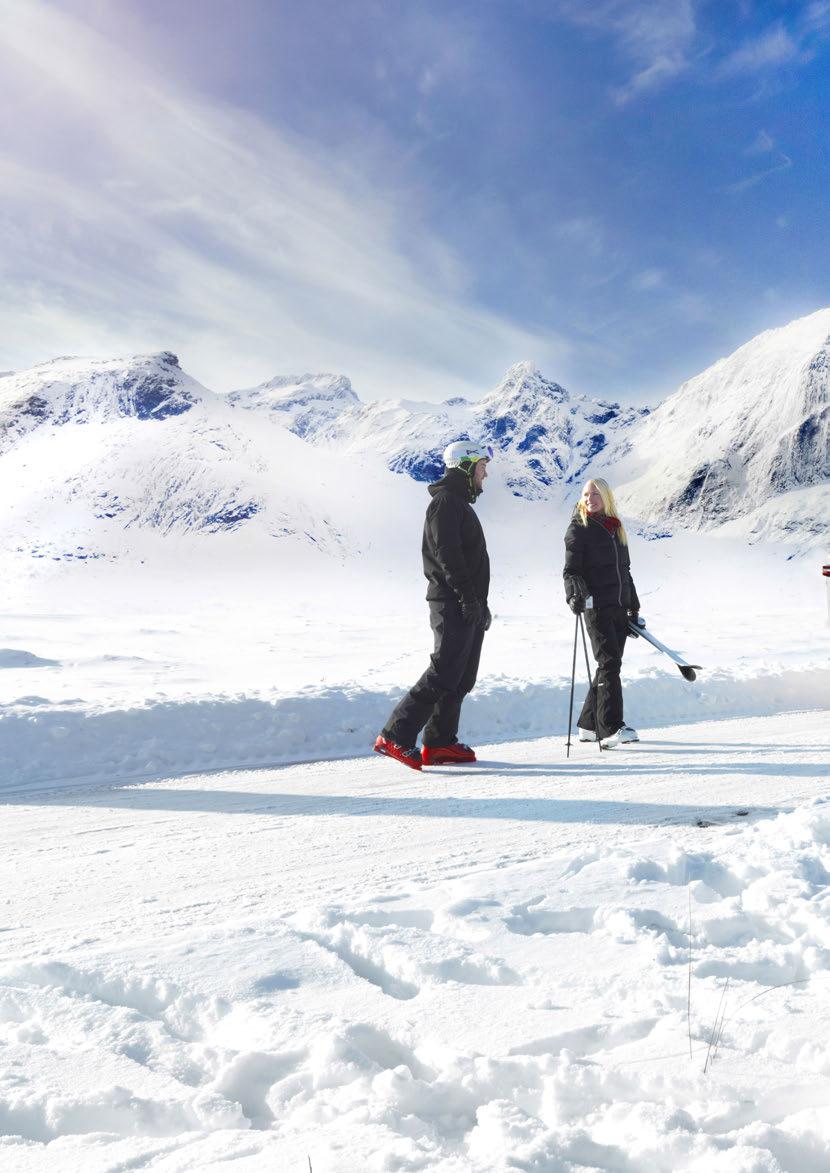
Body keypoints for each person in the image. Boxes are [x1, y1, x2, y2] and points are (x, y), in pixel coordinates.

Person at [374, 441, 493, 770]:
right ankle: (395, 734)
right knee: (444, 671)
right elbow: (448, 556)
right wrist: (468, 598)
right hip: (451, 600)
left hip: (468, 602)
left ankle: (440, 742)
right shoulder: (445, 504)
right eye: (482, 466)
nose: (486, 473)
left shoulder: (458, 504)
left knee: (461, 676)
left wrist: (479, 604)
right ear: (466, 467)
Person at [563, 477, 644, 749]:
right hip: (595, 607)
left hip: (618, 606)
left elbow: (625, 571)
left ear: (606, 497)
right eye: (586, 494)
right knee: (609, 664)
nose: (589, 498)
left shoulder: (615, 528)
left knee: (607, 665)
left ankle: (588, 725)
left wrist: (633, 606)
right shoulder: (579, 529)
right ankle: (610, 728)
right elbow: (571, 571)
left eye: (595, 494)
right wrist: (574, 594)